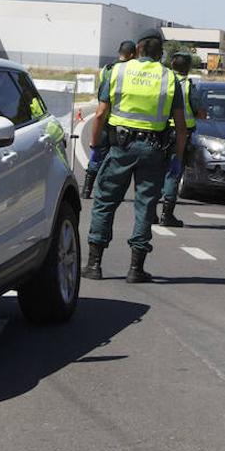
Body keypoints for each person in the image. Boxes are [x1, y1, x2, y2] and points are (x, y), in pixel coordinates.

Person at [81, 30, 186, 283]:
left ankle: (94, 265)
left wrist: (96, 144)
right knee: (145, 206)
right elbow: (181, 126)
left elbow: (100, 114)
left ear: (137, 49)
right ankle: (135, 269)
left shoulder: (117, 71)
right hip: (153, 150)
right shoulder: (169, 78)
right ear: (160, 53)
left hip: (120, 147)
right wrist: (178, 158)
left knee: (105, 202)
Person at [156, 51, 207, 227]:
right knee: (173, 173)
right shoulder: (188, 86)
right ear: (188, 68)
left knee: (154, 173)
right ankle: (167, 215)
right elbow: (200, 112)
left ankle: (149, 213)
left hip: (156, 132)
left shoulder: (161, 81)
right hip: (180, 134)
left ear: (172, 65)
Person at [81, 40, 136, 198]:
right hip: (119, 121)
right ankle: (109, 192)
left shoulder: (107, 69)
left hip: (104, 119)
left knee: (97, 154)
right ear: (132, 55)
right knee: (119, 159)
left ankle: (86, 189)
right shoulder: (127, 72)